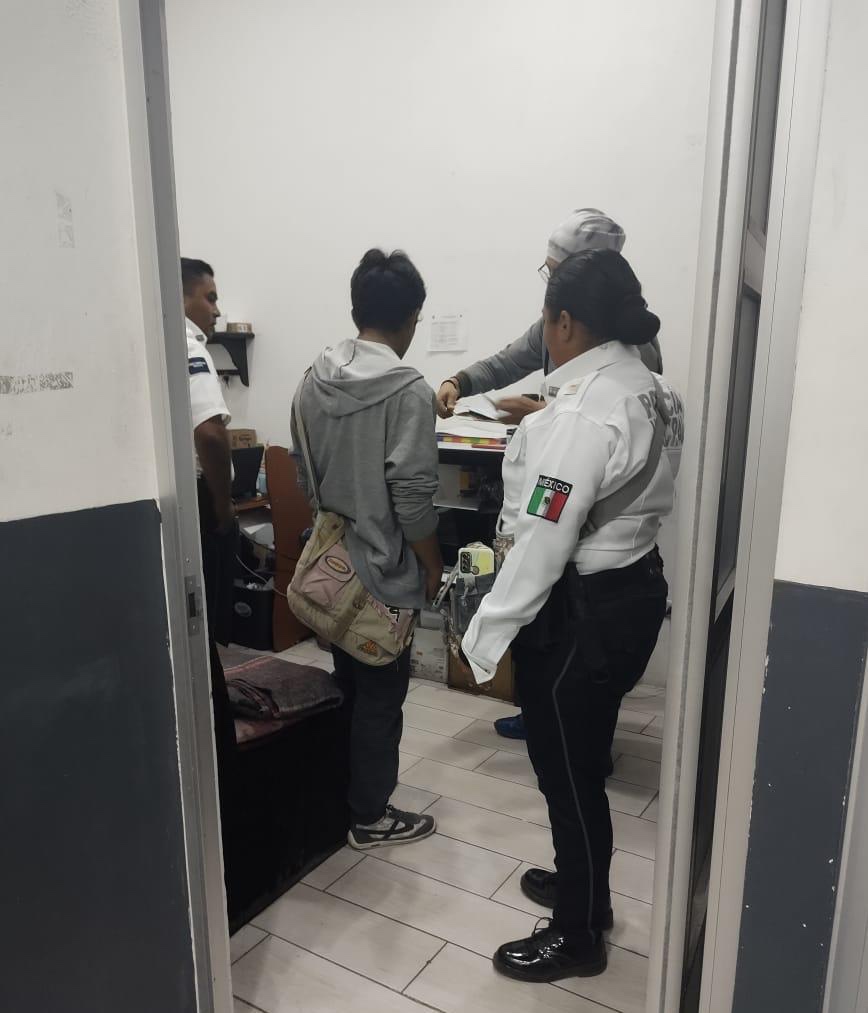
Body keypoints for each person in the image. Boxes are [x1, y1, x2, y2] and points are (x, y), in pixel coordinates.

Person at [461, 248, 682, 982]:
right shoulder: (652, 388)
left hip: (581, 613)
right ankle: (583, 884)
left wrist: (486, 633)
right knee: (583, 758)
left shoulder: (586, 409)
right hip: (634, 592)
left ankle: (580, 933)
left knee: (568, 774)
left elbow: (541, 540)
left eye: (544, 320)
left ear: (563, 321)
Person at [440, 208, 659, 742]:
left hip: (593, 569)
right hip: (614, 573)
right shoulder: (595, 357)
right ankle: (555, 721)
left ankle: (569, 731)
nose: (548, 281)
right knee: (568, 705)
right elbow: (508, 361)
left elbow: (546, 530)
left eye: (554, 270)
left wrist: (482, 639)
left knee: (571, 724)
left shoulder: (597, 396)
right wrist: (460, 380)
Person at [291, 249, 443, 850]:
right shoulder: (410, 392)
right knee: (382, 697)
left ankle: (346, 795)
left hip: (332, 565)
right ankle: (371, 816)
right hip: (383, 572)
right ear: (410, 317)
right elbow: (412, 500)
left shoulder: (313, 377)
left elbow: (303, 469)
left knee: (348, 683)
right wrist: (432, 564)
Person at [181, 257, 238, 852]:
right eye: (210, 297)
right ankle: (218, 745)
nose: (217, 309)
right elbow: (211, 434)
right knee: (206, 630)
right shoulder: (190, 345)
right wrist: (223, 508)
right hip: (199, 499)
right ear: (183, 298)